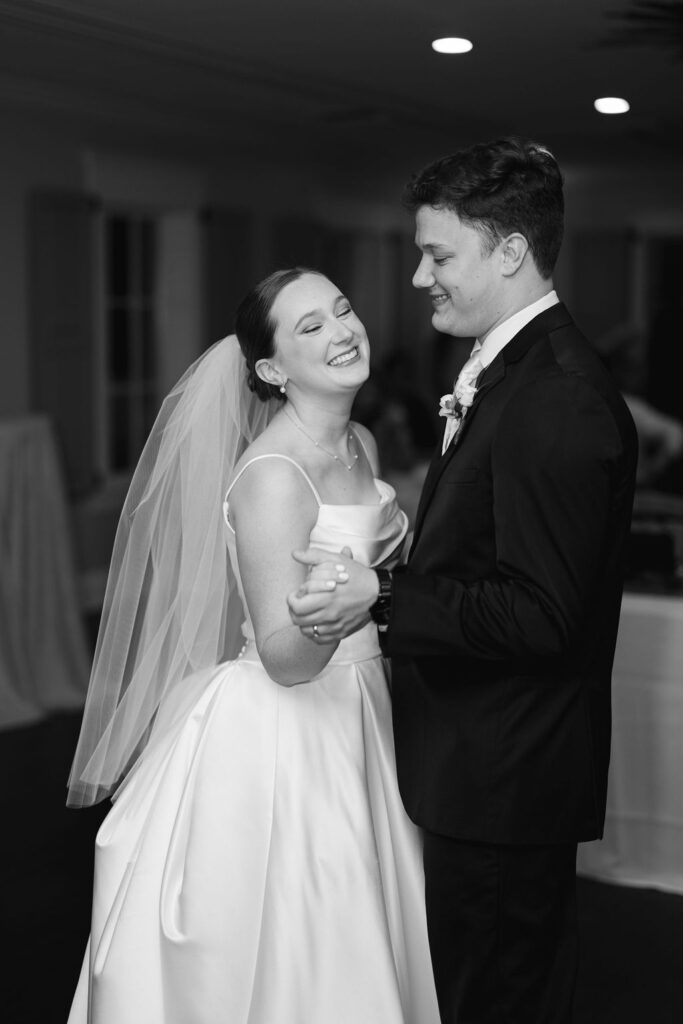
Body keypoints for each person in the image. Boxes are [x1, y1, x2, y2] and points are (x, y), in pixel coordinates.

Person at [288, 138, 639, 1024]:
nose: (417, 276)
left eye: (438, 253)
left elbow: (539, 614)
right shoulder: (510, 371)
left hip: (503, 780)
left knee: (493, 999)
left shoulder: (554, 394)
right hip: (482, 768)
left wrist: (387, 594)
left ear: (509, 251)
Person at [66, 268, 440, 1023]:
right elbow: (282, 655)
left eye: (341, 310)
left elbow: (378, 579)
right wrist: (350, 604)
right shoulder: (272, 475)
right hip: (289, 727)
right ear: (271, 369)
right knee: (307, 935)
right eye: (309, 327)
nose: (342, 331)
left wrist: (382, 586)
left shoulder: (360, 442)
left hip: (363, 706)